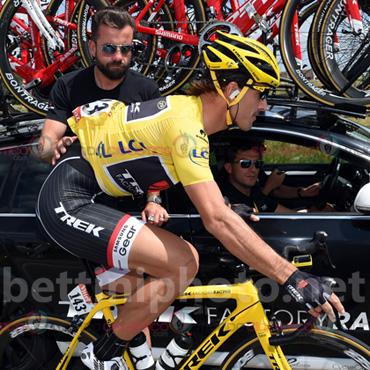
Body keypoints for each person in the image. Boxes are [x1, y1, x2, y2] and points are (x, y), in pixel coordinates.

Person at [36, 33, 344, 370]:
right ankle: (102, 355)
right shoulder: (186, 130)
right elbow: (215, 220)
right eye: (262, 94)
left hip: (98, 197)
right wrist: (293, 278)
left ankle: (123, 349)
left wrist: (225, 205)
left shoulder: (187, 115)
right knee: (183, 263)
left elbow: (197, 193)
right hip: (68, 200)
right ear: (233, 91)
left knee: (164, 275)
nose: (265, 106)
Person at [37, 6, 167, 226]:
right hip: (79, 206)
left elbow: (158, 153)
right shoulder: (67, 86)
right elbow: (44, 147)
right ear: (92, 47)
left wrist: (153, 201)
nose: (118, 57)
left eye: (126, 49)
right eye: (109, 48)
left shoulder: (147, 90)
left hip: (132, 209)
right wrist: (61, 147)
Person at [220, 140, 334, 212]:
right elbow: (254, 212)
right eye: (245, 163)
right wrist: (269, 186)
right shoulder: (226, 199)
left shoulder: (251, 188)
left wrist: (303, 194)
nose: (254, 169)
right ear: (229, 167)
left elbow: (276, 203)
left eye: (258, 163)